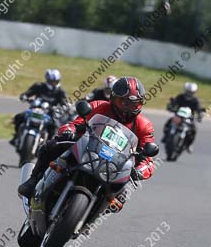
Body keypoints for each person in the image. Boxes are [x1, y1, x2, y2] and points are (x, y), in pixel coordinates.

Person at [17, 76, 156, 201]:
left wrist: (140, 170)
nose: (129, 107)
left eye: (135, 103)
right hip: (87, 149)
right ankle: (33, 180)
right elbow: (75, 124)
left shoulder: (144, 125)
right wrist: (68, 131)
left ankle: (88, 220)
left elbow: (148, 159)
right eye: (124, 102)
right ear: (113, 98)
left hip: (115, 165)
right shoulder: (99, 106)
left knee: (120, 197)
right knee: (53, 145)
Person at [10, 69, 68, 145]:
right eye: (51, 81)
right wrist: (24, 96)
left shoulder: (60, 91)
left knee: (54, 126)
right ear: (47, 80)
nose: (53, 83)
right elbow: (27, 93)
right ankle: (16, 136)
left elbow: (64, 103)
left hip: (49, 113)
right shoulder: (39, 86)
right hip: (35, 110)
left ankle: (49, 144)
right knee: (19, 117)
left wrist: (63, 107)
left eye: (55, 81)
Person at [163, 82, 204, 152]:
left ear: (194, 92)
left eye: (191, 92)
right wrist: (170, 107)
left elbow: (199, 109)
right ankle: (165, 136)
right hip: (178, 116)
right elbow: (173, 103)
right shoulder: (180, 97)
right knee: (168, 123)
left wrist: (200, 115)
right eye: (188, 92)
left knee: (194, 129)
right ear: (185, 90)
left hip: (189, 118)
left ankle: (189, 145)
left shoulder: (195, 100)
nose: (189, 94)